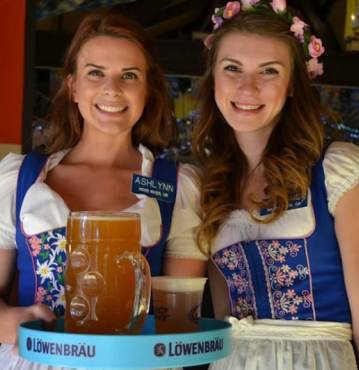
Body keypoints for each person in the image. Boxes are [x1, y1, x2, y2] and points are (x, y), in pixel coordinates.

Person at [0, 12, 206, 370]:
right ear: (73, 87)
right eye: (96, 73)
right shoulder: (20, 178)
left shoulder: (176, 187)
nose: (112, 89)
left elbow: (179, 323)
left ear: (148, 91)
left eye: (129, 76)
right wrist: (7, 323)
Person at [192, 1, 359, 369]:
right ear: (214, 79)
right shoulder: (210, 185)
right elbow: (223, 316)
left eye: (269, 71)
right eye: (232, 68)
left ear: (292, 86)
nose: (247, 86)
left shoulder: (335, 171)